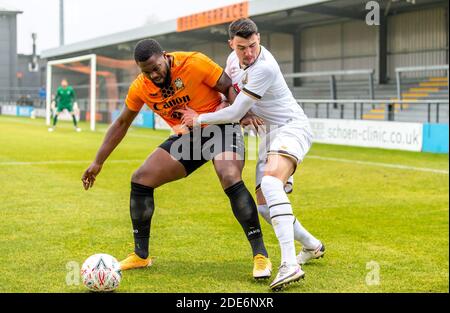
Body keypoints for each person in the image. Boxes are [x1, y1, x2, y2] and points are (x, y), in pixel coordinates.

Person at [81, 39, 272, 279]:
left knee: (229, 175)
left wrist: (242, 112)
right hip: (189, 138)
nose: (153, 74)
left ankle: (260, 256)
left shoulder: (194, 62)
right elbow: (121, 123)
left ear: (165, 56)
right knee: (141, 179)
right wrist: (98, 162)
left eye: (156, 67)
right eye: (146, 71)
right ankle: (141, 256)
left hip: (220, 128)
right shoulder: (140, 87)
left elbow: (228, 87)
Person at [178, 18, 325, 291]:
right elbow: (230, 98)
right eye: (242, 47)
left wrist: (198, 119)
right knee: (264, 206)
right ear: (231, 44)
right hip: (267, 136)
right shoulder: (232, 62)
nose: (248, 52)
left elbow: (233, 113)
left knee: (270, 184)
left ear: (259, 38)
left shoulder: (265, 67)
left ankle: (289, 264)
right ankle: (312, 245)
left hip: (291, 127)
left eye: (253, 45)